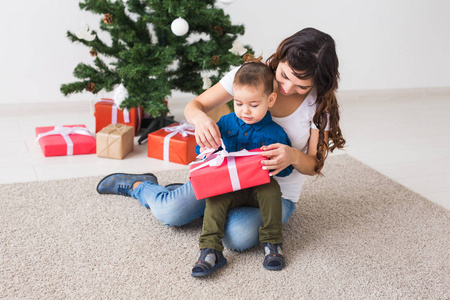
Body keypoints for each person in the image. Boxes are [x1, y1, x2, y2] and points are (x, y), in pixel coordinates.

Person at [97, 27, 345, 261]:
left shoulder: (317, 106)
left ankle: (202, 203)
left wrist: (292, 156)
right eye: (284, 76)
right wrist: (202, 120)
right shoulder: (250, 76)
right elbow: (194, 106)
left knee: (236, 236)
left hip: (276, 194)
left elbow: (314, 165)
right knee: (169, 212)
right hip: (227, 177)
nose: (288, 88)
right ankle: (141, 186)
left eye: (302, 86)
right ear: (280, 58)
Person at [191, 60, 293, 277]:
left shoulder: (276, 133)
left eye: (254, 105)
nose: (245, 111)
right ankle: (210, 249)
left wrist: (279, 163)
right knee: (215, 196)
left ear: (270, 99)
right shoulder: (225, 123)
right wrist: (206, 145)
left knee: (272, 190)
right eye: (238, 104)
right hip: (229, 185)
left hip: (259, 187)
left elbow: (285, 171)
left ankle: (273, 244)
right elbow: (203, 153)